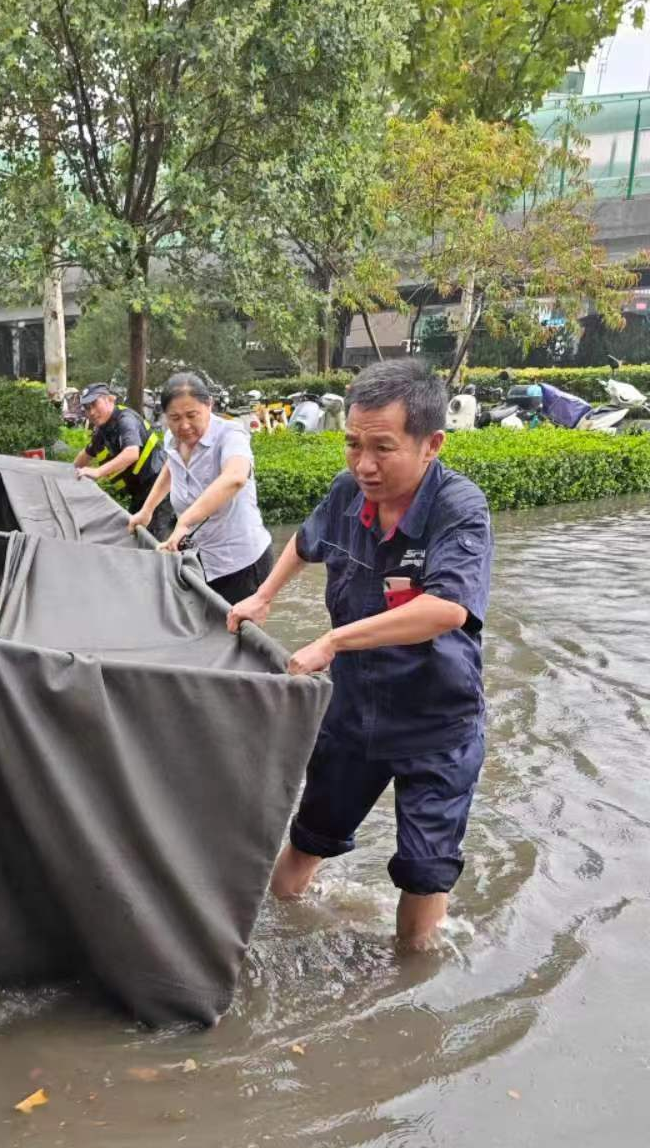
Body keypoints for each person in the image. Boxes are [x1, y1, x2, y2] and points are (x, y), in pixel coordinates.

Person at [227, 359, 494, 950]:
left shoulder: (459, 507)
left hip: (437, 722)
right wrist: (263, 596)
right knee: (310, 836)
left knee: (425, 869)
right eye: (353, 444)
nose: (364, 464)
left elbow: (447, 609)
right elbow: (307, 541)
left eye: (383, 448)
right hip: (353, 713)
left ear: (431, 444)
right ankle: (268, 940)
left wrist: (333, 641)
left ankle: (413, 974)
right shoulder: (349, 491)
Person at [130, 372, 273, 605]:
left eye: (191, 415)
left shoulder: (231, 435)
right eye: (175, 418)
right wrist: (147, 510)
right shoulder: (171, 438)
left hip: (240, 562)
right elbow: (171, 467)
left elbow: (235, 477)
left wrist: (184, 523)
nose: (184, 426)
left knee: (236, 625)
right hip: (200, 557)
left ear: (209, 405)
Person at [72, 383, 174, 539]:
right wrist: (68, 473)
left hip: (159, 488)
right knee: (132, 535)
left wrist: (98, 472)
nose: (91, 412)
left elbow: (131, 453)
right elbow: (85, 455)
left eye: (94, 404)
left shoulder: (126, 420)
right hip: (139, 493)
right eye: (87, 408)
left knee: (156, 540)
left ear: (110, 400)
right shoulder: (102, 430)